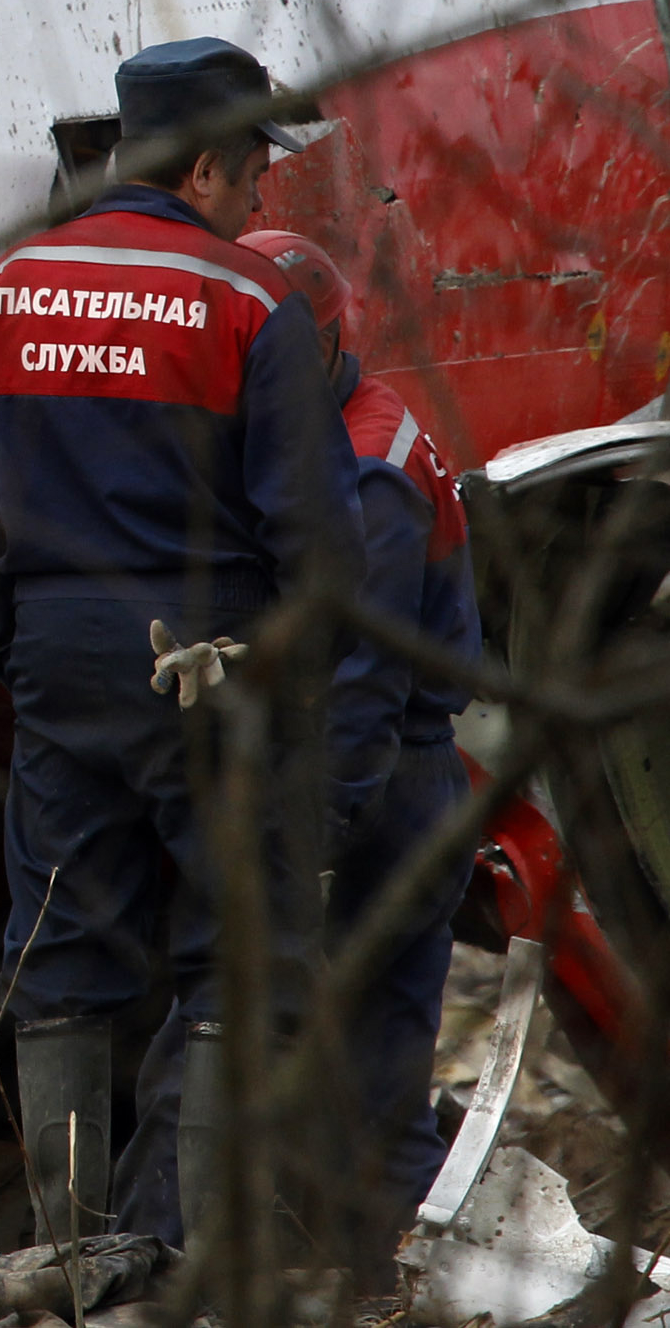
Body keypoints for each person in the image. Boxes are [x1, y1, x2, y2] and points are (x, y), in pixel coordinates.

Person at [0, 36, 374, 1249]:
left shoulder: (4, 288)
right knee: (232, 953)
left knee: (60, 949)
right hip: (213, 660)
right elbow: (318, 539)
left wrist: (2, 642)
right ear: (203, 174)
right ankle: (190, 1261)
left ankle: (69, 1263)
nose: (256, 199)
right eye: (250, 176)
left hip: (56, 654)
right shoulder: (246, 301)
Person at [112, 229, 477, 1253]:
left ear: (314, 350)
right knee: (360, 1064)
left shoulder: (362, 473)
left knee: (301, 1052)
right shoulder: (351, 435)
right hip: (386, 774)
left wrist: (310, 832)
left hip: (374, 779)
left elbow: (360, 682)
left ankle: (186, 1267)